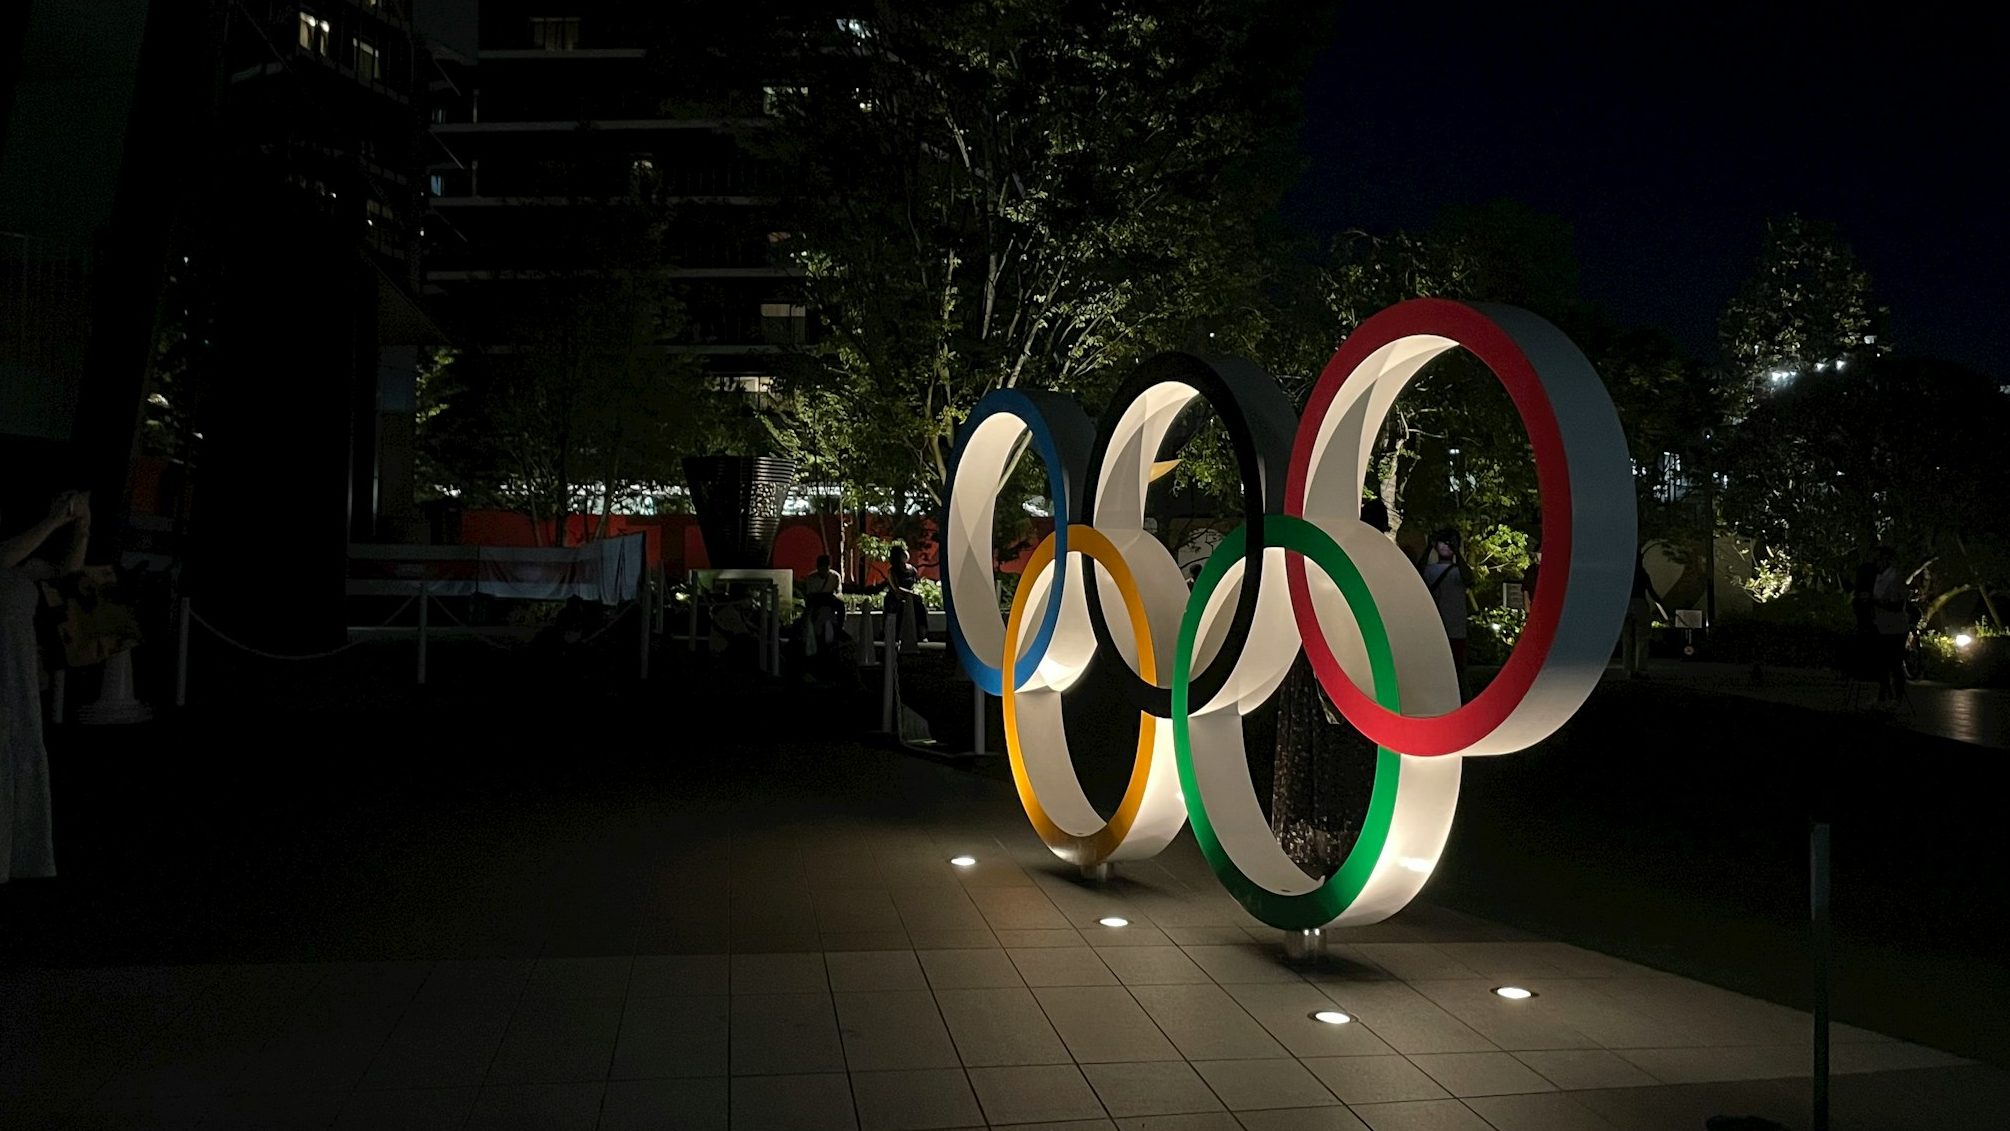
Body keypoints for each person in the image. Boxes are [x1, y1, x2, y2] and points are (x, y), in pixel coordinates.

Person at [1, 489, 90, 882]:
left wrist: (82, 527)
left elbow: (66, 579)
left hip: (14, 682)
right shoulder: (8, 555)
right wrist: (54, 520)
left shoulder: (22, 566)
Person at [1418, 528, 1469, 698]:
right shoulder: (1430, 569)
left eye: (1451, 543)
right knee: (1435, 672)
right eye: (1443, 542)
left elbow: (1470, 579)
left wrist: (1457, 554)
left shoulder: (1459, 571)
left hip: (1455, 629)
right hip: (1436, 629)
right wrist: (1428, 547)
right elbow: (1416, 574)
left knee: (1458, 672)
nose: (1446, 546)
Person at [1870, 545, 1909, 705]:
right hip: (1882, 625)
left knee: (1894, 663)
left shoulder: (1895, 578)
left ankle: (1897, 697)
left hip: (1895, 627)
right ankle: (1884, 695)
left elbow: (1897, 605)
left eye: (1879, 559)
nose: (1876, 562)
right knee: (1883, 663)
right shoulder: (1879, 577)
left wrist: (1876, 603)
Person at [1623, 552, 1667, 679]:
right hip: (1640, 604)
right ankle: (1641, 669)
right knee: (1642, 638)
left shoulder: (1626, 573)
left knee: (1627, 639)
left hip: (1626, 604)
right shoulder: (1643, 574)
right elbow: (1651, 591)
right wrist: (1662, 605)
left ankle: (1628, 669)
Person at [800, 554, 844, 657]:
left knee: (841, 606)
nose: (823, 571)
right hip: (816, 599)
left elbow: (839, 592)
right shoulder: (811, 578)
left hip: (829, 598)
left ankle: (839, 628)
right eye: (821, 568)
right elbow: (809, 595)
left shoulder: (834, 576)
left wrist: (835, 597)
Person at [884, 544, 925, 653]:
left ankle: (922, 633)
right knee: (899, 608)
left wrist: (916, 593)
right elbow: (896, 588)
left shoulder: (912, 570)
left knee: (920, 608)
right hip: (896, 598)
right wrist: (910, 594)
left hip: (911, 598)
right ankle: (896, 635)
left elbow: (917, 584)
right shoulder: (892, 571)